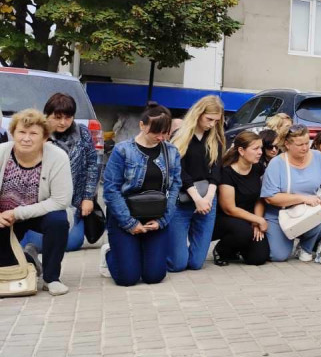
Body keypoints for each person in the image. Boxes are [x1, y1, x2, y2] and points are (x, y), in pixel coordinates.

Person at [101, 104, 182, 287]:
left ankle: (138, 252)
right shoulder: (122, 150)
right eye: (156, 132)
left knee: (154, 276)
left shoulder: (171, 152)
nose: (160, 138)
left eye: (165, 133)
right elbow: (111, 190)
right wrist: (129, 223)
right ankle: (110, 254)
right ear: (142, 126)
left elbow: (175, 186)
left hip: (156, 216)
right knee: (127, 279)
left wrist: (163, 220)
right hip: (124, 217)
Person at [0, 109, 73, 295]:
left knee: (58, 221)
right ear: (13, 133)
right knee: (8, 266)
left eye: (33, 133)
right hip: (4, 217)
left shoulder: (58, 157)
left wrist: (18, 213)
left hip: (40, 213)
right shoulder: (1, 153)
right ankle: (30, 260)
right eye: (21, 132)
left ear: (44, 137)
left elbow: (60, 200)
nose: (26, 138)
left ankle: (51, 278)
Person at [261, 123, 321, 262]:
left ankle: (305, 247)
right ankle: (284, 239)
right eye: (299, 145)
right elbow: (270, 197)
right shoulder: (276, 164)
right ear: (287, 144)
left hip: (308, 211)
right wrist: (303, 198)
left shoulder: (318, 157)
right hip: (280, 214)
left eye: (306, 143)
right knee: (278, 256)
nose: (305, 148)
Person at [168, 96, 225, 272]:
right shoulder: (180, 135)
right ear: (199, 114)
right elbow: (179, 170)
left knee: (196, 263)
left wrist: (208, 197)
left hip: (208, 197)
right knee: (178, 264)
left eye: (216, 121)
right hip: (183, 197)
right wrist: (196, 197)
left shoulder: (216, 137)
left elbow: (216, 171)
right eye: (209, 119)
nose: (212, 124)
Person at [43, 93, 100, 252]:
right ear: (47, 115)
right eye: (57, 117)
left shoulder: (82, 132)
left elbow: (92, 165)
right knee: (41, 241)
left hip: (74, 200)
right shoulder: (39, 133)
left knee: (72, 243)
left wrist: (88, 198)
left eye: (68, 118)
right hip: (45, 200)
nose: (63, 122)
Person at [213, 130, 270, 267]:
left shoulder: (258, 168)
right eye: (255, 148)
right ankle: (221, 250)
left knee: (258, 258)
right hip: (227, 218)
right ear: (241, 150)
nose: (260, 152)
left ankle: (237, 249)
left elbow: (259, 199)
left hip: (249, 218)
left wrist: (256, 222)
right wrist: (258, 220)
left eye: (261, 148)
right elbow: (229, 209)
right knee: (243, 232)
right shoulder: (227, 172)